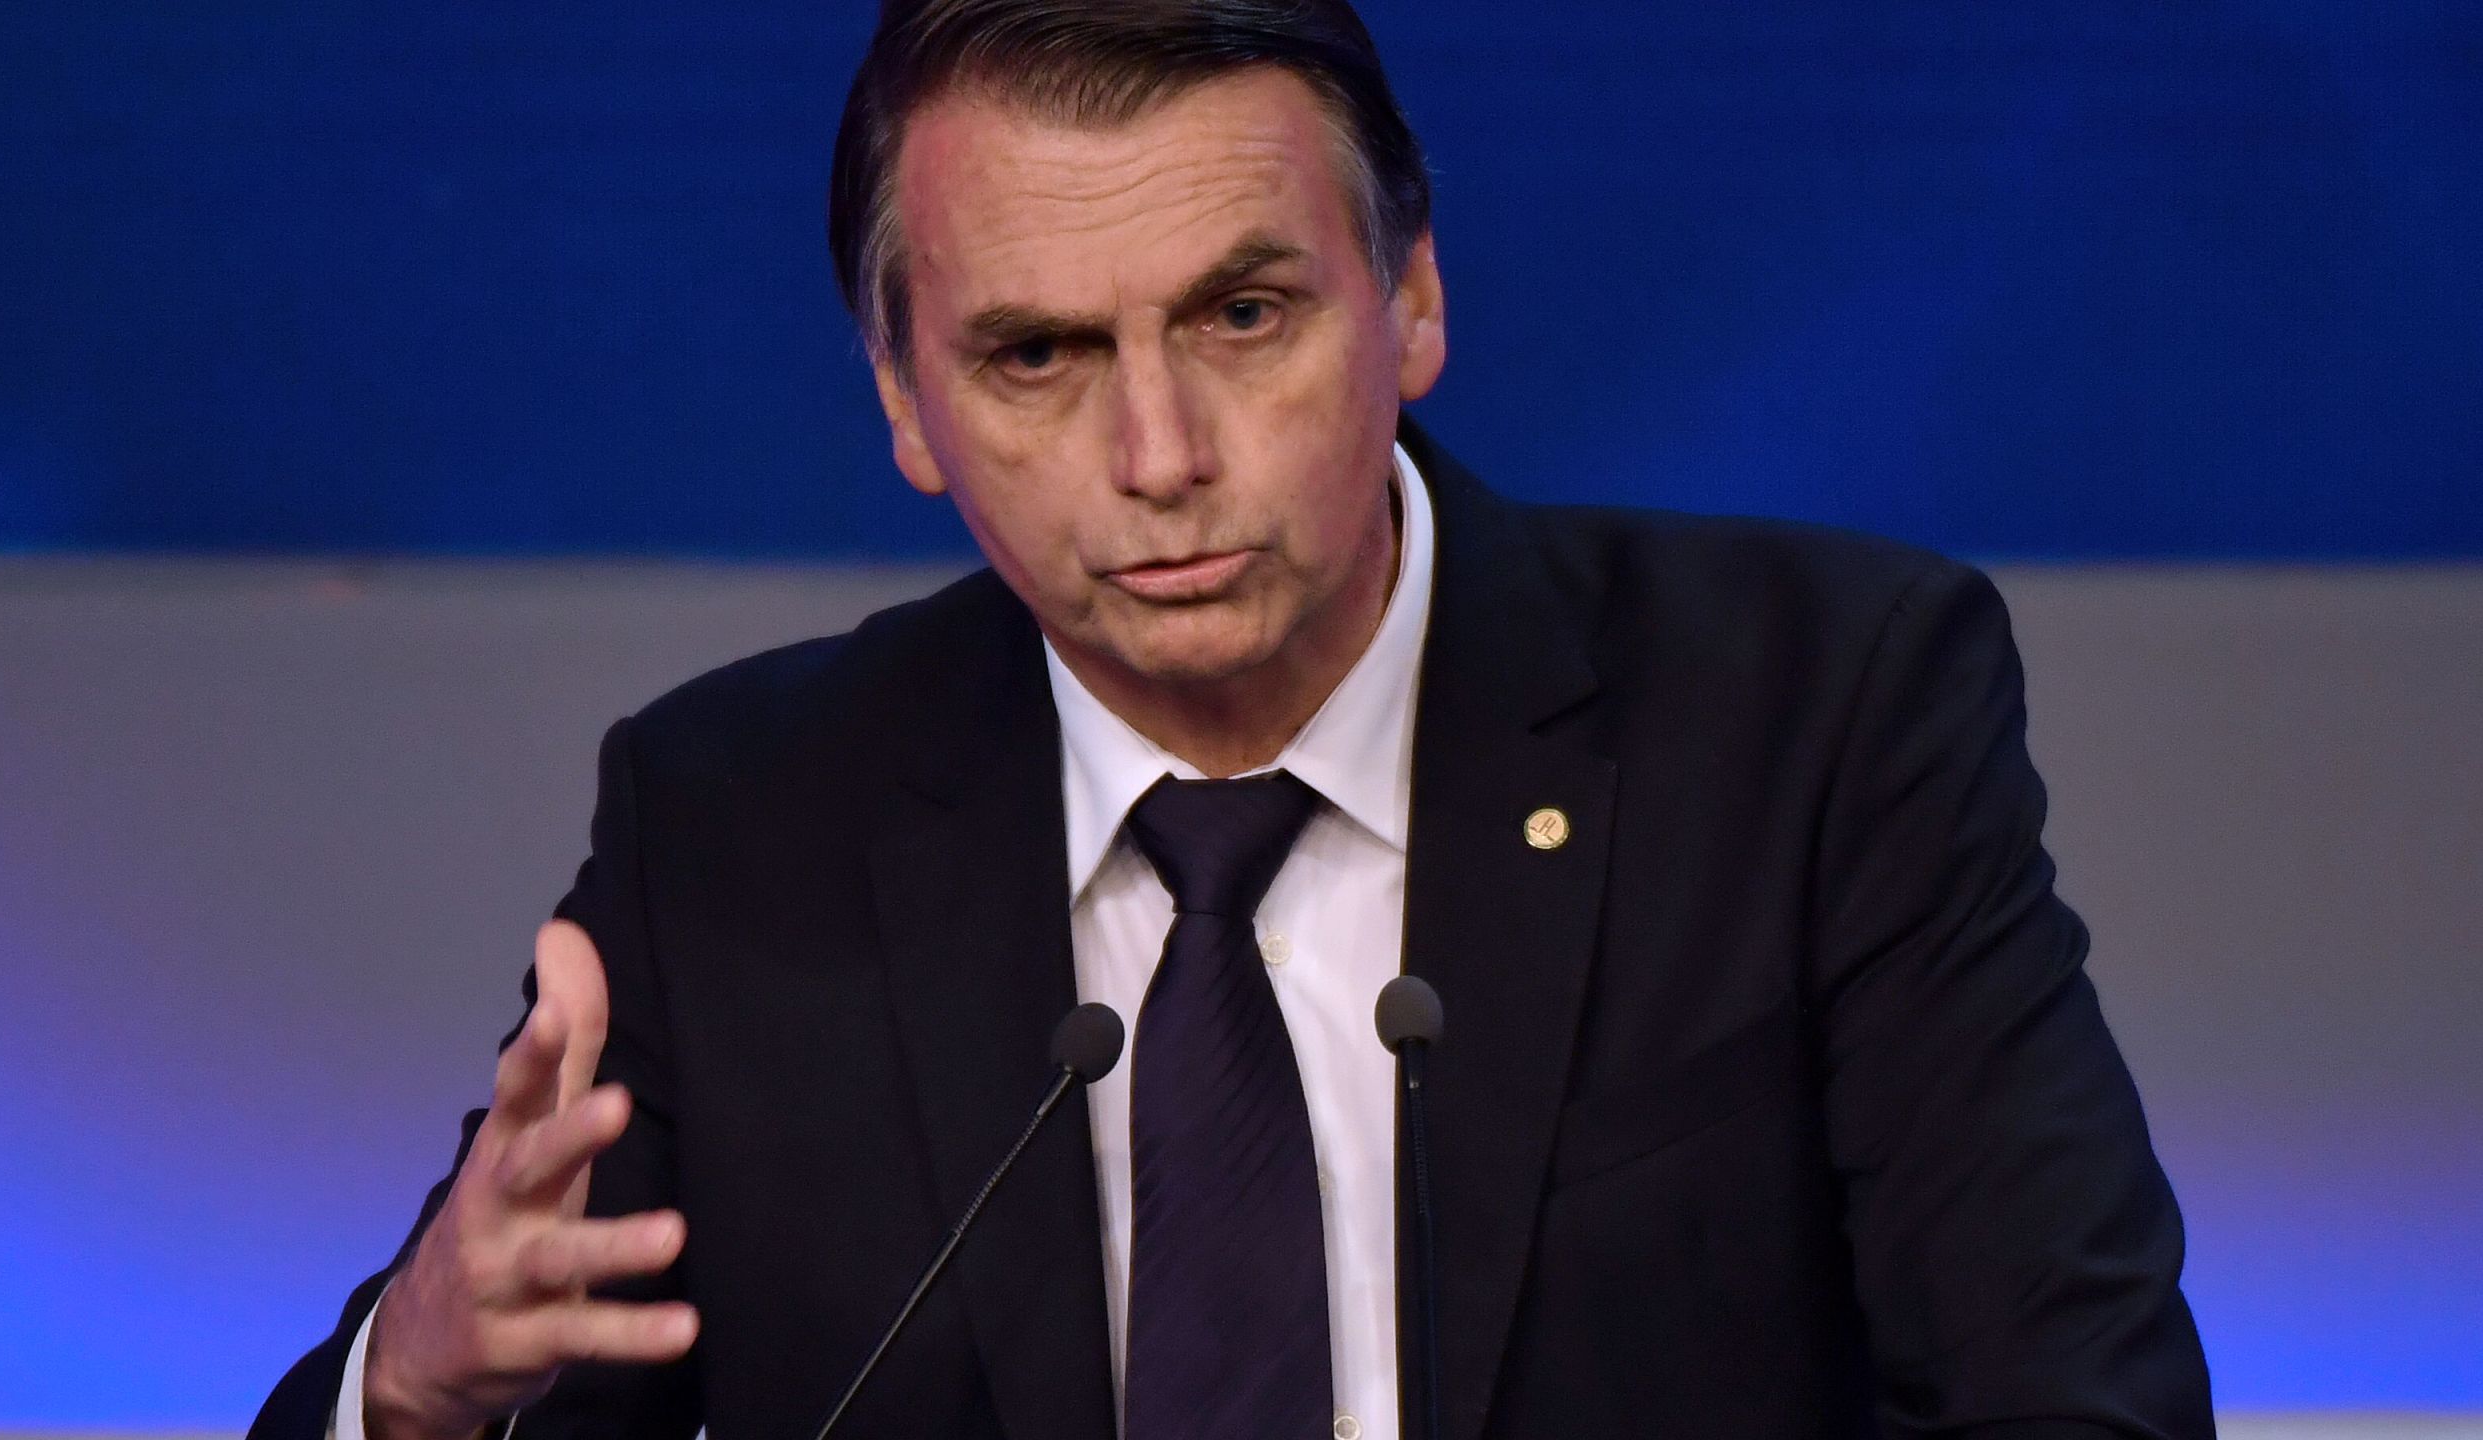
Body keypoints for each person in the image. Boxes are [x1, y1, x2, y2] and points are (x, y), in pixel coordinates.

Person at [254, 2, 2214, 1437]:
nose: (1156, 455)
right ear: (902, 406)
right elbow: (526, 1348)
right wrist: (412, 1387)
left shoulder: (1814, 717)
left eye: (1241, 314)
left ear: (1412, 296)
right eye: (1034, 355)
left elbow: (2075, 1399)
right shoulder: (736, 826)